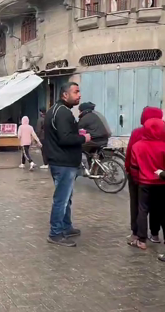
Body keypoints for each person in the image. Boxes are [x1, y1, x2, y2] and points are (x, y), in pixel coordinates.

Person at [43, 82, 91, 247]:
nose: (79, 95)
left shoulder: (56, 111)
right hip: (63, 163)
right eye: (76, 92)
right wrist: (83, 138)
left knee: (66, 198)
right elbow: (65, 138)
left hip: (61, 161)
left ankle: (66, 226)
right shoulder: (62, 113)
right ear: (65, 95)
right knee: (61, 199)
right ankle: (55, 233)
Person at [125, 107, 164, 244]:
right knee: (157, 206)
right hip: (160, 179)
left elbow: (129, 154)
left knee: (138, 205)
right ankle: (155, 233)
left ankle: (137, 234)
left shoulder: (137, 133)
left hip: (139, 176)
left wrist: (129, 171)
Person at [129, 118, 165, 250]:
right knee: (161, 209)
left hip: (144, 183)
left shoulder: (137, 146)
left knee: (142, 210)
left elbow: (134, 167)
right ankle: (160, 236)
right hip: (161, 182)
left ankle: (141, 239)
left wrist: (136, 180)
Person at [77, 102, 112, 168]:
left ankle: (81, 167)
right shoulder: (96, 114)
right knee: (90, 151)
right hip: (104, 139)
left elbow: (76, 127)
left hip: (96, 140)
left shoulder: (86, 117)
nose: (79, 112)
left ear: (83, 110)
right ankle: (94, 167)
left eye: (80, 110)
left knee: (77, 146)